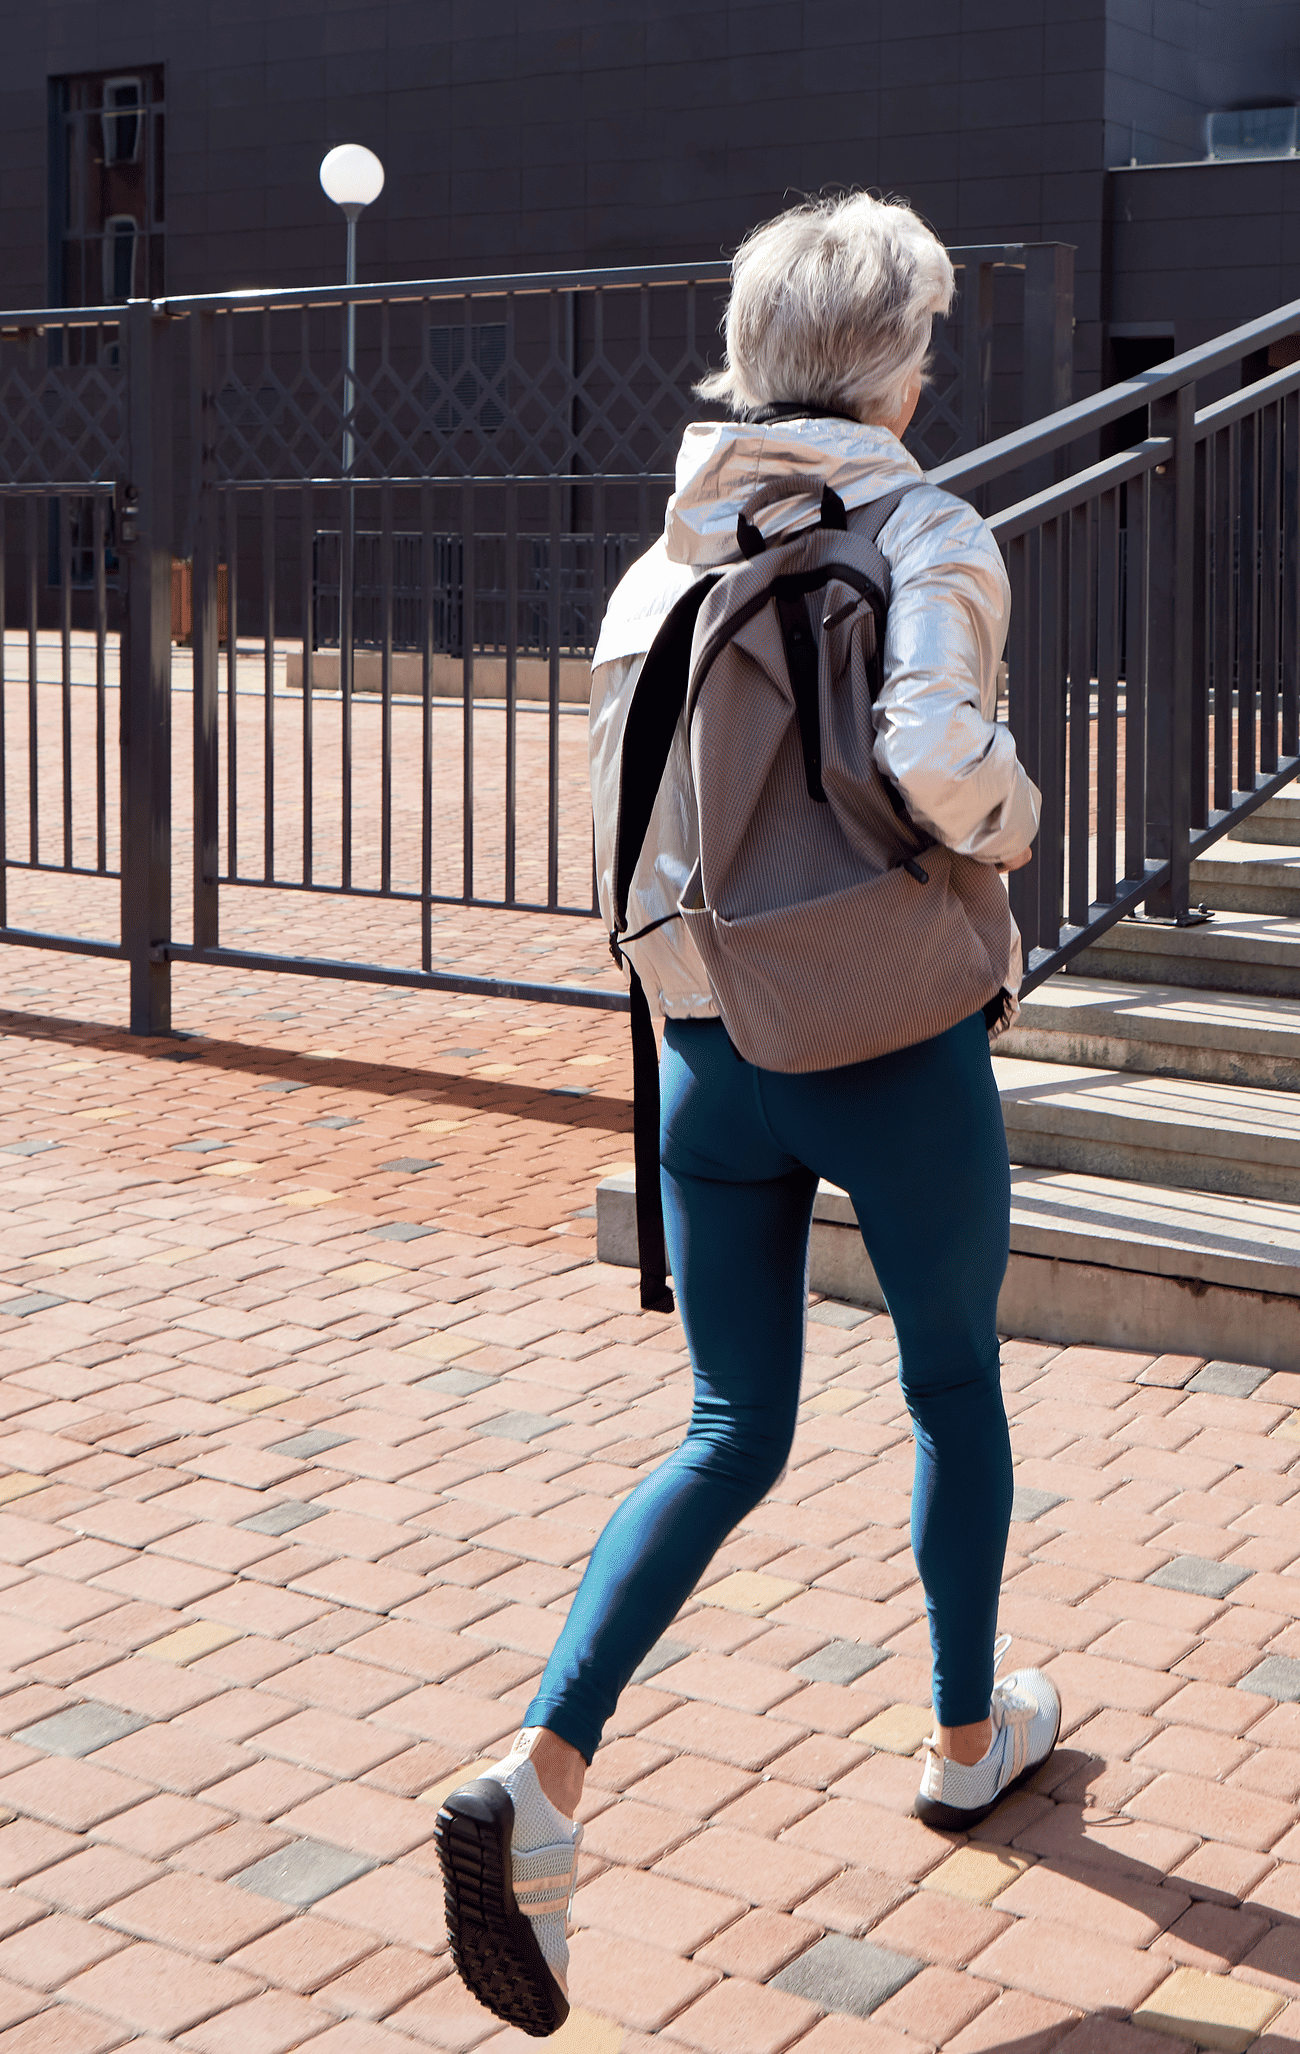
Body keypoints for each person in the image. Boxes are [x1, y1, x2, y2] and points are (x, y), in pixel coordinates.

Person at [437, 193, 1061, 2039]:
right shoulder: (925, 527)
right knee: (951, 1383)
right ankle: (967, 1738)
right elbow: (935, 752)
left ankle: (544, 1772)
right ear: (892, 368)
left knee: (729, 1428)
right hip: (891, 1043)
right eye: (923, 341)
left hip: (713, 1054)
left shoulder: (665, 563)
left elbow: (633, 828)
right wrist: (1021, 825)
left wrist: (697, 999)